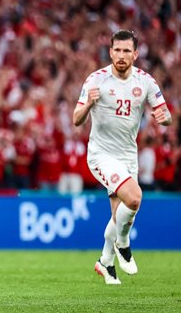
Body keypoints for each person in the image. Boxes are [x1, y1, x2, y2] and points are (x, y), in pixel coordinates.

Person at [73, 30, 172, 285]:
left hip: (128, 154)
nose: (121, 55)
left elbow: (165, 113)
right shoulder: (96, 80)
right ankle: (123, 244)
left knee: (121, 214)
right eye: (117, 50)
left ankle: (106, 261)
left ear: (135, 55)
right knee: (135, 197)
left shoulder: (145, 82)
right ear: (110, 52)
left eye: (127, 51)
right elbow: (76, 119)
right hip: (101, 154)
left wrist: (165, 118)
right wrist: (88, 105)